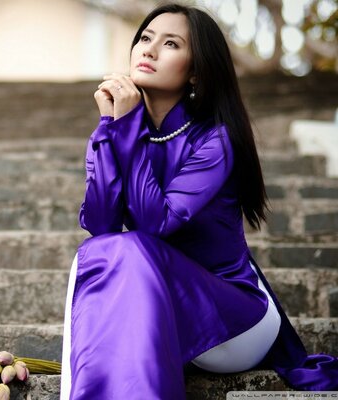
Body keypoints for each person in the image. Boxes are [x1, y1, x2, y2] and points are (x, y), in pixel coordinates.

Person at [59, 3, 338, 399]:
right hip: (167, 307)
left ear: (195, 71)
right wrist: (110, 128)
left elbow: (157, 225)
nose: (149, 50)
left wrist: (125, 131)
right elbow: (101, 224)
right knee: (104, 249)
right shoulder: (117, 131)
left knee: (130, 246)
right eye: (144, 38)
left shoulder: (214, 140)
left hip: (238, 321)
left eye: (170, 43)